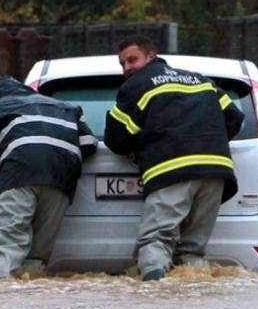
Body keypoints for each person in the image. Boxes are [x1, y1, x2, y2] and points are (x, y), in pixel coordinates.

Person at [104, 36, 244, 281]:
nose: (127, 68)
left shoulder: (138, 85)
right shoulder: (201, 80)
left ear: (151, 56)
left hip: (171, 172)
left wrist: (140, 147)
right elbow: (234, 118)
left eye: (132, 59)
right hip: (215, 172)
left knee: (155, 240)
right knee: (193, 249)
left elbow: (116, 139)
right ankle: (195, 291)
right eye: (122, 63)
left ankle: (154, 296)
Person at [0, 75, 98, 279]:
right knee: (38, 252)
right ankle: (34, 290)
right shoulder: (68, 108)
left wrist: (6, 170)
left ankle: (1, 296)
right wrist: (59, 160)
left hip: (20, 173)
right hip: (61, 179)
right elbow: (89, 144)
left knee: (7, 242)